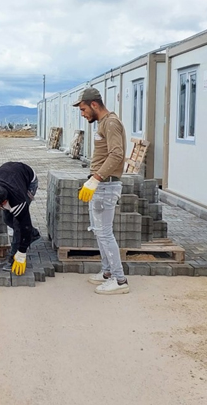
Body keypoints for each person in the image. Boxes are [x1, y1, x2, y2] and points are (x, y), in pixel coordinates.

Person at [73, 87, 130, 295]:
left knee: (105, 233)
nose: (82, 114)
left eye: (83, 109)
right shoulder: (103, 123)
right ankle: (107, 272)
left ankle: (120, 280)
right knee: (99, 231)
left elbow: (117, 154)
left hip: (106, 185)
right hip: (101, 185)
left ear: (94, 105)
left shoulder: (111, 123)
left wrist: (96, 179)